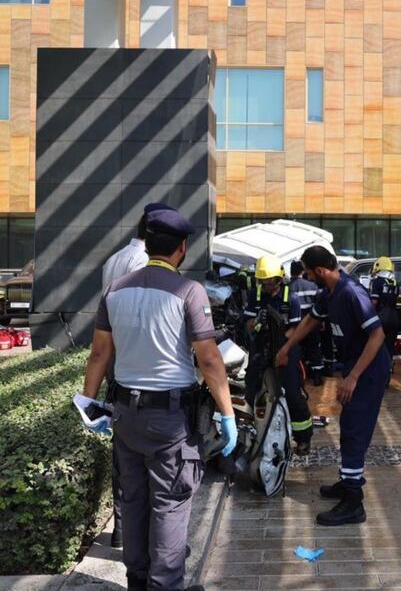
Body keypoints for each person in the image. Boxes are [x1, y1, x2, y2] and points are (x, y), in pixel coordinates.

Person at [82, 207, 237, 591]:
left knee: (133, 501)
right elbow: (209, 358)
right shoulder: (189, 291)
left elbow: (99, 354)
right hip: (170, 421)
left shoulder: (114, 289)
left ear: (147, 244)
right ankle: (165, 585)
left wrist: (88, 404)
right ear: (182, 248)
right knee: (169, 502)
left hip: (124, 416)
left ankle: (137, 580)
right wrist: (228, 414)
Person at [277, 245, 390, 526]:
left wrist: (352, 378)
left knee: (354, 428)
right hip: (354, 364)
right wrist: (286, 347)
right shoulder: (327, 292)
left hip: (369, 368)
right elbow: (311, 320)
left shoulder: (352, 293)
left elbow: (377, 336)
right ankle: (347, 482)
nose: (307, 277)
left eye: (309, 273)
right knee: (348, 425)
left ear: (320, 271)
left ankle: (353, 502)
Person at [100, 201, 173, 549]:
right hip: (141, 367)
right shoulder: (144, 263)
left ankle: (122, 529)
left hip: (118, 362)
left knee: (123, 453)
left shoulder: (113, 260)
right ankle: (140, 535)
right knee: (146, 461)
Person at [243, 254, 313, 455]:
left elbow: (296, 328)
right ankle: (255, 432)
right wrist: (257, 322)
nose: (266, 284)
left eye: (270, 281)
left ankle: (302, 438)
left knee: (292, 392)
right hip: (260, 347)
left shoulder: (290, 298)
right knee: (252, 387)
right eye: (262, 281)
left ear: (279, 278)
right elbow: (248, 324)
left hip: (286, 348)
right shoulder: (255, 295)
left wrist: (281, 341)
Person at [288, 260, 324, 386]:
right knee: (314, 348)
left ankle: (300, 378)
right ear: (302, 271)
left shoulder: (287, 288)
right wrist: (321, 322)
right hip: (311, 321)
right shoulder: (312, 286)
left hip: (295, 323)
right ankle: (317, 377)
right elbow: (319, 305)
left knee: (297, 349)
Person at [369, 256, 399, 366]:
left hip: (381, 316)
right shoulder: (395, 282)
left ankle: (379, 367)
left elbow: (374, 302)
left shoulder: (377, 282)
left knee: (377, 343)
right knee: (389, 344)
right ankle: (389, 366)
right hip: (394, 317)